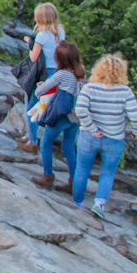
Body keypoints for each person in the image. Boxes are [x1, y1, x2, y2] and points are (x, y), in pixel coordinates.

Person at [72, 53, 137, 216]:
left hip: (89, 136)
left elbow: (80, 110)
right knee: (107, 172)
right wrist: (136, 132)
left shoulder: (89, 88)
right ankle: (99, 204)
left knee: (82, 169)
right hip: (114, 138)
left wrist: (91, 128)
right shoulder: (125, 91)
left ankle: (77, 203)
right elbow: (136, 116)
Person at [28, 41, 84, 192]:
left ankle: (47, 177)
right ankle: (74, 183)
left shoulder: (62, 74)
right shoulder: (81, 73)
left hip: (62, 116)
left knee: (45, 143)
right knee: (68, 147)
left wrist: (41, 87)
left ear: (59, 59)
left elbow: (39, 92)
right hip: (75, 117)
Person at [16, 2, 65, 151]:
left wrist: (30, 43)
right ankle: (30, 134)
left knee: (31, 105)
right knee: (41, 105)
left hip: (42, 73)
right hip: (56, 71)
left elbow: (33, 57)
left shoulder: (42, 35)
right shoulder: (60, 31)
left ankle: (32, 141)